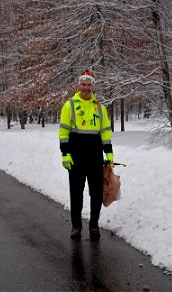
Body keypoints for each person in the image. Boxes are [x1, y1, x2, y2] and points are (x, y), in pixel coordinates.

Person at [59, 69, 114, 241]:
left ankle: (94, 224)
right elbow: (63, 132)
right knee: (76, 193)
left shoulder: (100, 107)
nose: (86, 88)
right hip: (75, 157)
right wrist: (65, 154)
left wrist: (109, 153)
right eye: (83, 84)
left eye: (89, 85)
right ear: (79, 85)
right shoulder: (69, 105)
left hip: (95, 156)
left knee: (96, 193)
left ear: (93, 87)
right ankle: (76, 226)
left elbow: (105, 131)